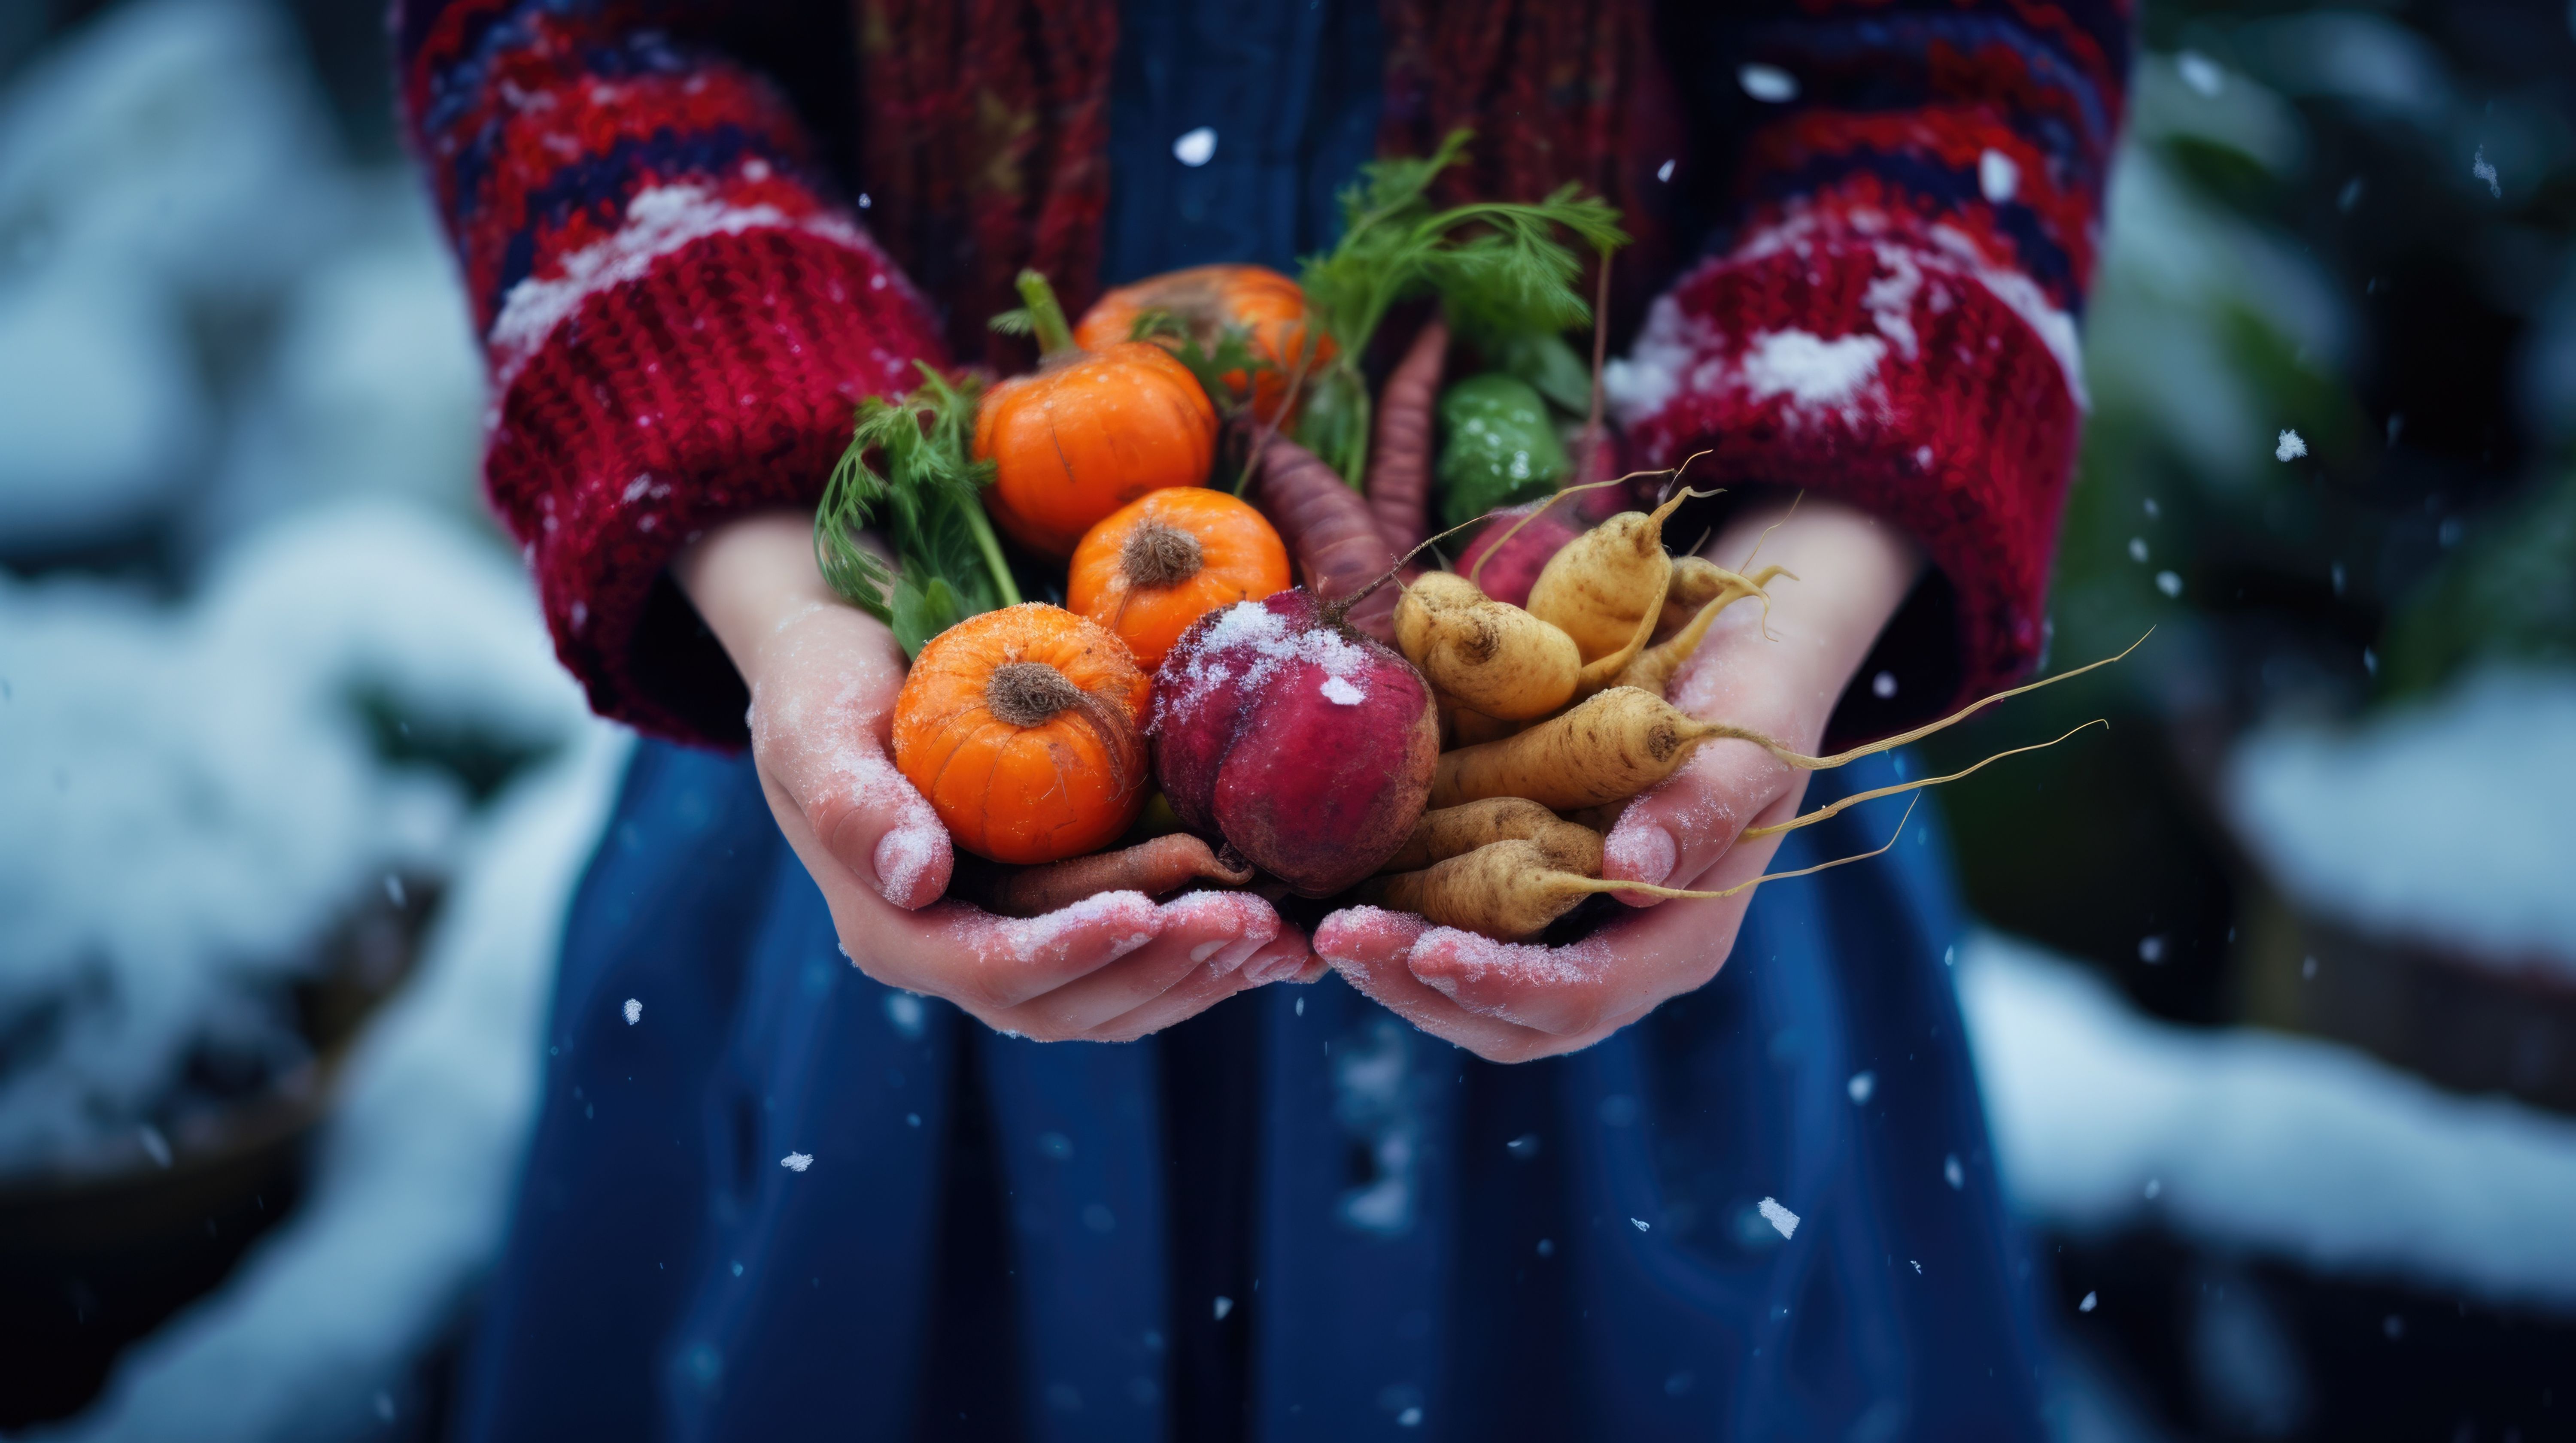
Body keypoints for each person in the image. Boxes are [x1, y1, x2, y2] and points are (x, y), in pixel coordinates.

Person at [396, 1, 2127, 1436]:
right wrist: (790, 615)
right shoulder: (895, 693)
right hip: (902, 746)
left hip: (1659, 746)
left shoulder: (1667, 739)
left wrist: (1785, 633)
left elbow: (1964, 81)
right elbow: (565, 43)